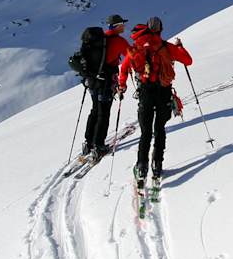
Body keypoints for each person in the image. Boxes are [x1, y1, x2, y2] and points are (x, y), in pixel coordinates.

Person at [118, 16, 193, 191]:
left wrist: (122, 85)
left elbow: (124, 68)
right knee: (159, 129)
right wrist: (180, 47)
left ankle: (141, 166)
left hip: (145, 92)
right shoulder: (166, 47)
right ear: (160, 29)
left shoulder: (135, 48)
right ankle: (157, 165)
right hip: (163, 92)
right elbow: (188, 61)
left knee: (145, 132)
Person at [82, 14, 130, 159]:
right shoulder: (119, 41)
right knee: (104, 112)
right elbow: (132, 55)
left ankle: (88, 142)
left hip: (92, 80)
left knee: (95, 109)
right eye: (122, 24)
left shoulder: (99, 39)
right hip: (106, 81)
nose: (124, 26)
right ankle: (99, 145)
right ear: (116, 26)